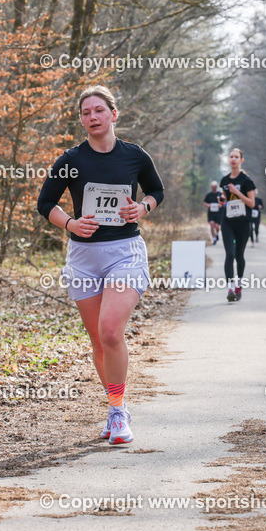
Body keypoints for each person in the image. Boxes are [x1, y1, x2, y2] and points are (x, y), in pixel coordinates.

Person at [37, 86, 164, 445]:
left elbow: (157, 191)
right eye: (85, 113)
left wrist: (142, 208)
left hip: (124, 251)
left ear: (113, 114)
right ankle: (114, 405)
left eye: (98, 110)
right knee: (97, 341)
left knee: (110, 331)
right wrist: (70, 224)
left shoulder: (135, 156)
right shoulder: (70, 160)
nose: (92, 117)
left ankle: (119, 413)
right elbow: (46, 203)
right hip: (83, 257)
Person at [220, 148, 256, 302]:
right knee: (230, 254)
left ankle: (239, 285)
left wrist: (238, 192)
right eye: (231, 156)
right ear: (229, 160)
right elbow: (224, 198)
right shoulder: (224, 181)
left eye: (236, 157)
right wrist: (221, 200)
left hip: (243, 223)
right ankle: (230, 288)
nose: (233, 159)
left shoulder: (247, 181)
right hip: (227, 221)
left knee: (239, 255)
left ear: (241, 161)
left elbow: (252, 203)